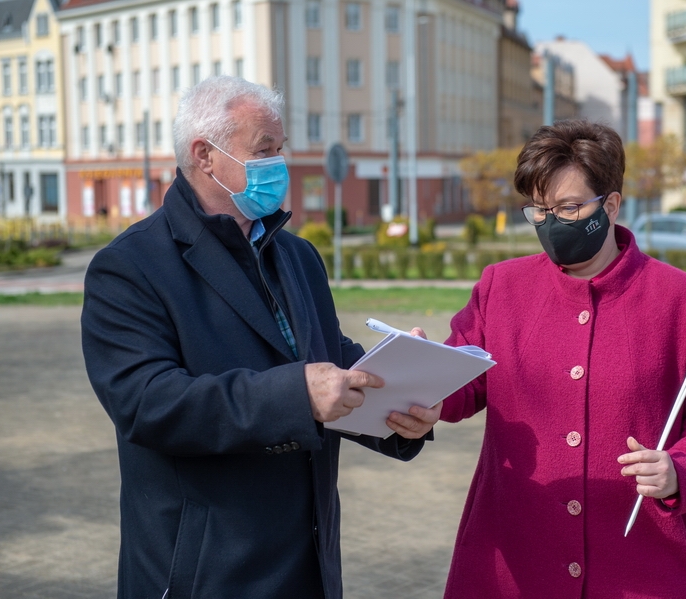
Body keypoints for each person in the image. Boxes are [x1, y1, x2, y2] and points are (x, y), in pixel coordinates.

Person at [80, 76, 440, 598]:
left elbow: (331, 363)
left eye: (280, 149)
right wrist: (297, 395)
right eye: (263, 149)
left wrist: (404, 402)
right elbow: (147, 403)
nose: (278, 164)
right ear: (205, 155)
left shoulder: (297, 256)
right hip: (206, 573)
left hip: (306, 566)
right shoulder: (129, 267)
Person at [434, 120, 686, 598]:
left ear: (611, 204)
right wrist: (420, 375)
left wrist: (680, 471)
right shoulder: (501, 287)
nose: (551, 223)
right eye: (538, 210)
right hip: (513, 570)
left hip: (644, 572)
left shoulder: (685, 301)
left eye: (567, 207)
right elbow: (461, 376)